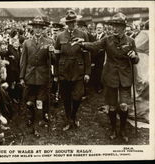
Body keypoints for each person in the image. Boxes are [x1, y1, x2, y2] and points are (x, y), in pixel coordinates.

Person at [79, 13, 139, 142]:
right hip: (110, 76)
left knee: (123, 105)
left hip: (125, 77)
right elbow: (95, 45)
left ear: (123, 27)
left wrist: (134, 56)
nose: (115, 28)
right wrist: (83, 43)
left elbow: (136, 59)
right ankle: (113, 128)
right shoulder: (107, 39)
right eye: (113, 25)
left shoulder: (130, 41)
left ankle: (122, 129)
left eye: (118, 26)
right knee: (111, 106)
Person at [54, 10, 91, 131]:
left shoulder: (83, 34)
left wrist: (87, 72)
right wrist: (56, 73)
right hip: (64, 70)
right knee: (65, 97)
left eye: (73, 22)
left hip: (78, 70)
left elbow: (87, 55)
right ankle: (69, 118)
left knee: (78, 96)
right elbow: (56, 56)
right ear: (66, 23)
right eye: (69, 22)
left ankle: (74, 115)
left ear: (76, 22)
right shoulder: (59, 36)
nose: (71, 24)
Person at [20, 16, 54, 137]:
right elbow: (23, 61)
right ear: (33, 29)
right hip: (30, 75)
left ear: (43, 29)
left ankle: (37, 122)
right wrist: (21, 77)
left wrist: (51, 52)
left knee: (40, 100)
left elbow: (53, 60)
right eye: (36, 28)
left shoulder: (49, 41)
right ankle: (30, 117)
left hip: (43, 76)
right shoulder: (26, 42)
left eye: (40, 28)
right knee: (30, 101)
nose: (38, 30)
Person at [91, 23, 106, 93]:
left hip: (102, 58)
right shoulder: (93, 37)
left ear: (103, 29)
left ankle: (100, 86)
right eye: (97, 28)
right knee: (95, 73)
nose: (98, 29)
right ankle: (96, 86)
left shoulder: (105, 37)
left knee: (100, 73)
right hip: (95, 58)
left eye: (100, 27)